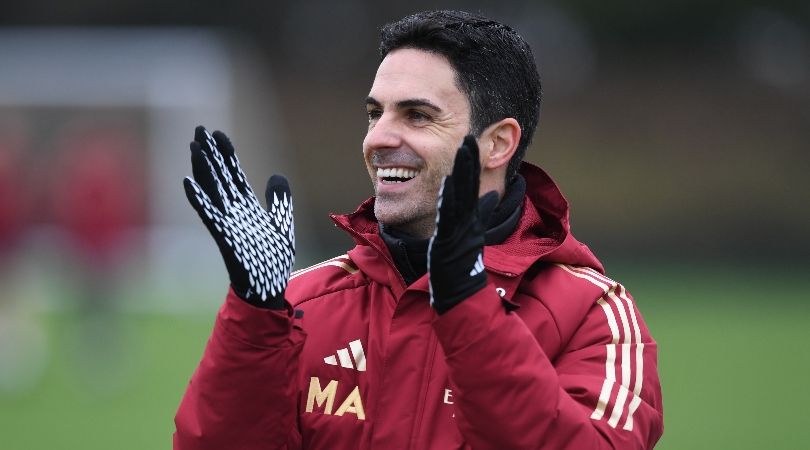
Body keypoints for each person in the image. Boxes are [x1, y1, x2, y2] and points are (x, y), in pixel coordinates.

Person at [174, 10, 663, 450]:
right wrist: (254, 323)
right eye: (374, 113)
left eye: (417, 115)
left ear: (497, 144)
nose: (378, 138)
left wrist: (467, 305)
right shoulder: (301, 304)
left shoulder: (592, 317)